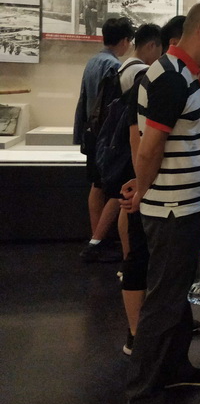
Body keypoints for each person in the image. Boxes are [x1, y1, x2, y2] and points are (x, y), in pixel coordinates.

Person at [123, 3, 200, 404]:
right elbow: (150, 147)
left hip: (182, 204)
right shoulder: (171, 76)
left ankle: (174, 368)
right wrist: (143, 190)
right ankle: (142, 393)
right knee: (163, 302)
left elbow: (160, 142)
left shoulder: (182, 73)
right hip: (173, 209)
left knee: (174, 296)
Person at [119, 18, 185, 357]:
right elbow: (140, 139)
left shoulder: (172, 76)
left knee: (150, 262)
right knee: (139, 259)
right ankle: (136, 335)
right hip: (150, 187)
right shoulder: (157, 78)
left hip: (153, 185)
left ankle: (154, 335)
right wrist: (142, 184)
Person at [85, 24, 162, 266]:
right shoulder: (140, 72)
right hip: (123, 144)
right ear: (152, 45)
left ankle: (100, 242)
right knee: (121, 196)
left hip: (104, 138)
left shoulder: (117, 65)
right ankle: (102, 245)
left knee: (106, 190)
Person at [73, 17, 134, 263]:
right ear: (125, 40)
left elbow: (84, 101)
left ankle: (96, 238)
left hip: (92, 133)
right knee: (116, 189)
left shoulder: (93, 61)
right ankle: (97, 241)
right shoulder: (113, 66)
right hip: (106, 137)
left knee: (97, 186)